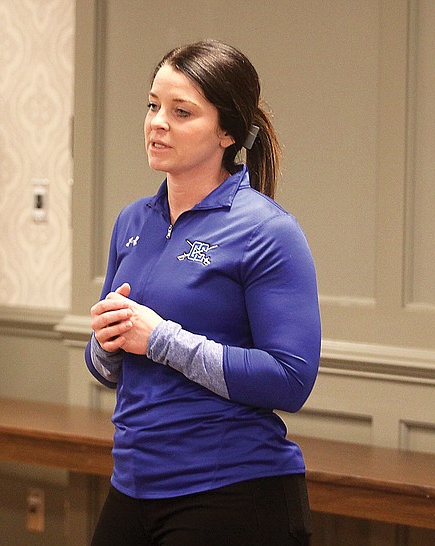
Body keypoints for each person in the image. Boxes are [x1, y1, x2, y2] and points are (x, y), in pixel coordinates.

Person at [85, 39, 321, 546]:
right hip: (132, 485)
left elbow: (290, 379)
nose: (157, 122)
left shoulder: (267, 231)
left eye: (181, 111)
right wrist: (104, 343)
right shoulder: (132, 221)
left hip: (233, 491)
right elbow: (109, 369)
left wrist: (161, 339)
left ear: (228, 132)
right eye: (153, 106)